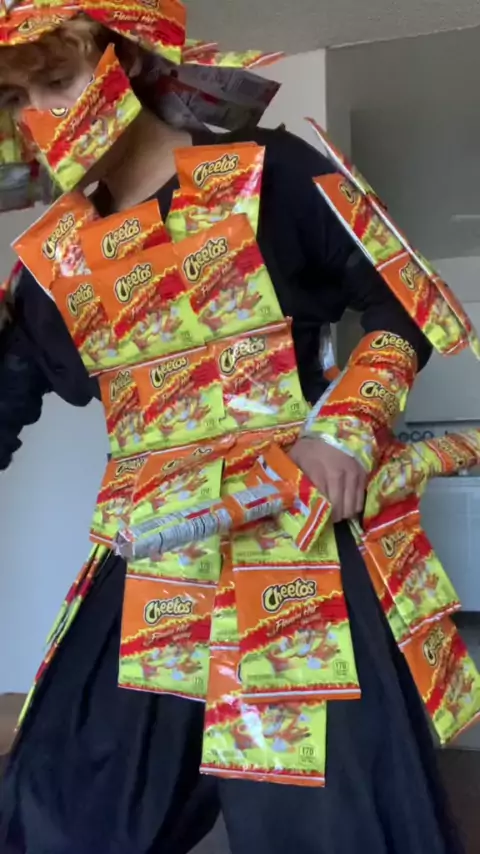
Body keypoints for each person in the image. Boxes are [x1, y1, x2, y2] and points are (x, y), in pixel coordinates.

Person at [0, 7, 464, 854]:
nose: (39, 115)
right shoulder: (53, 262)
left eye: (57, 81)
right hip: (151, 546)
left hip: (296, 538)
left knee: (335, 822)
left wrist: (346, 430)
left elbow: (405, 303)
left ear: (126, 62)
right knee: (59, 805)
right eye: (14, 98)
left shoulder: (272, 173)